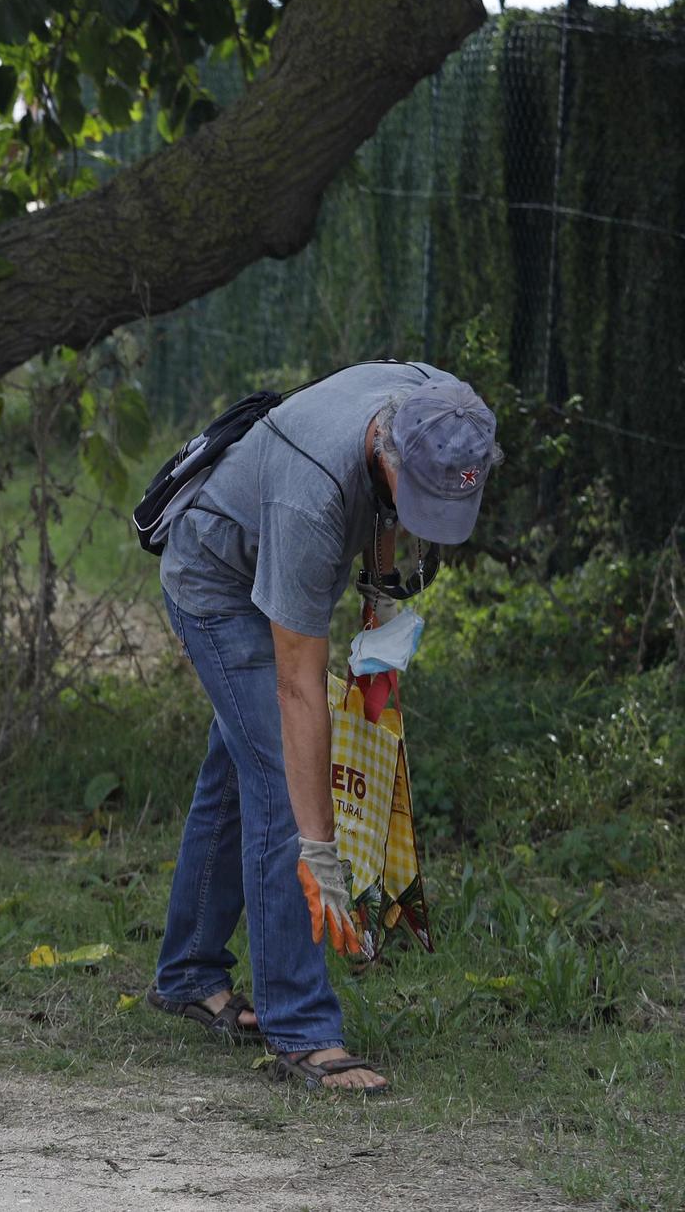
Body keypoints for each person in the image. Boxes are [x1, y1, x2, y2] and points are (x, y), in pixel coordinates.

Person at [145, 363, 501, 1095]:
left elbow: (382, 506)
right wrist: (321, 850)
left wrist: (379, 604)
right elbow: (297, 684)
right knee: (279, 775)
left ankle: (187, 972)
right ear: (387, 451)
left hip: (267, 546)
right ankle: (301, 1028)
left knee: (241, 766)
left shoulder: (442, 406)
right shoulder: (313, 496)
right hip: (216, 580)